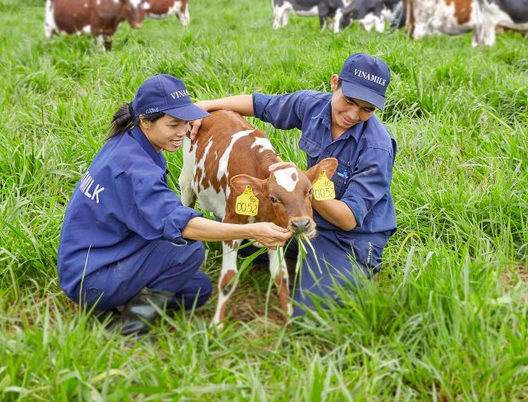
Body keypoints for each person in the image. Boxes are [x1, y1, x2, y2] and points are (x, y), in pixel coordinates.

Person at [57, 74, 292, 337]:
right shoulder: (136, 170)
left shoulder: (131, 142)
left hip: (105, 252)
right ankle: (128, 330)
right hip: (90, 276)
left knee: (197, 289)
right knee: (188, 251)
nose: (183, 132)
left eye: (185, 122)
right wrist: (252, 230)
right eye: (173, 124)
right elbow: (184, 226)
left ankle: (119, 304)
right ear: (145, 121)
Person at [191, 53, 397, 316]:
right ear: (335, 83)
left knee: (313, 312)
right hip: (302, 211)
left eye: (367, 109)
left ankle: (357, 267)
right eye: (349, 101)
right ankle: (300, 253)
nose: (353, 114)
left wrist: (299, 185)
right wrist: (205, 105)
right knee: (241, 236)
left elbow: (348, 220)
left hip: (351, 234)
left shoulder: (376, 148)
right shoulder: (313, 105)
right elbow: (260, 104)